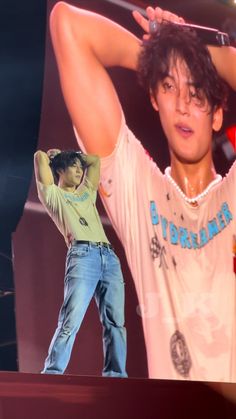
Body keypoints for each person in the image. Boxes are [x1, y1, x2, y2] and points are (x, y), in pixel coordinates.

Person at [48, 2, 236, 382]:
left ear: (217, 115)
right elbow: (67, 25)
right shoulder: (139, 192)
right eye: (169, 87)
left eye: (197, 92)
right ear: (155, 99)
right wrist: (158, 55)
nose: (182, 104)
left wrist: (199, 51)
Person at [34, 148, 127, 377]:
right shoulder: (53, 195)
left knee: (115, 322)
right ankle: (53, 373)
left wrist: (73, 154)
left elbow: (94, 161)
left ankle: (115, 375)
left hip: (109, 257)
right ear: (60, 171)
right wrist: (56, 156)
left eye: (78, 165)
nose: (79, 169)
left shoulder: (86, 192)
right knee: (71, 319)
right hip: (82, 255)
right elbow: (39, 157)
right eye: (73, 166)